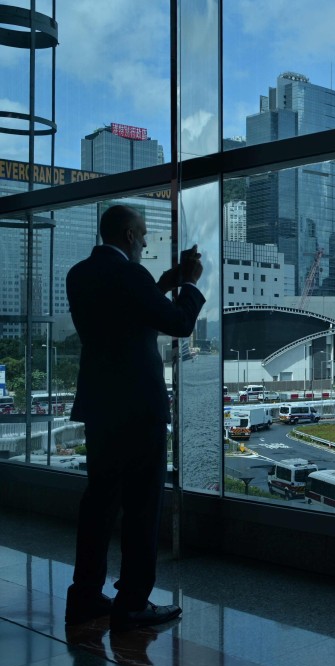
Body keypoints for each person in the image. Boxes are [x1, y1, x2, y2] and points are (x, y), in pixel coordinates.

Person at [64, 205, 205, 631]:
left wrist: (164, 283)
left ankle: (85, 596)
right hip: (140, 409)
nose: (145, 242)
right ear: (128, 235)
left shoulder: (79, 275)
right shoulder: (130, 277)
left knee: (99, 504)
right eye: (142, 236)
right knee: (142, 507)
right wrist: (191, 285)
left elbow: (127, 313)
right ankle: (132, 603)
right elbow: (178, 324)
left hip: (101, 407)